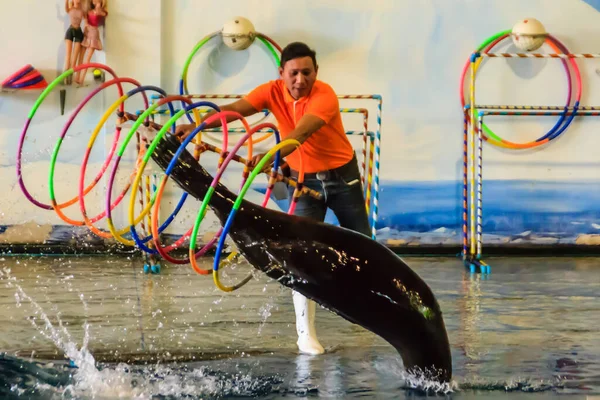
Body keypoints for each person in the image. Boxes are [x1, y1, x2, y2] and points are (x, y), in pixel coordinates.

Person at [176, 41, 371, 355]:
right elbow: (233, 111)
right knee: (300, 251)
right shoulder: (270, 91)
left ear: (316, 73)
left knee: (363, 242)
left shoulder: (324, 96)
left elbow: (300, 134)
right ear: (282, 73)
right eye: (293, 73)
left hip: (340, 177)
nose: (300, 80)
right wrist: (197, 126)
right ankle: (305, 334)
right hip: (300, 178)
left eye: (307, 73)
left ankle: (371, 302)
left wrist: (271, 156)